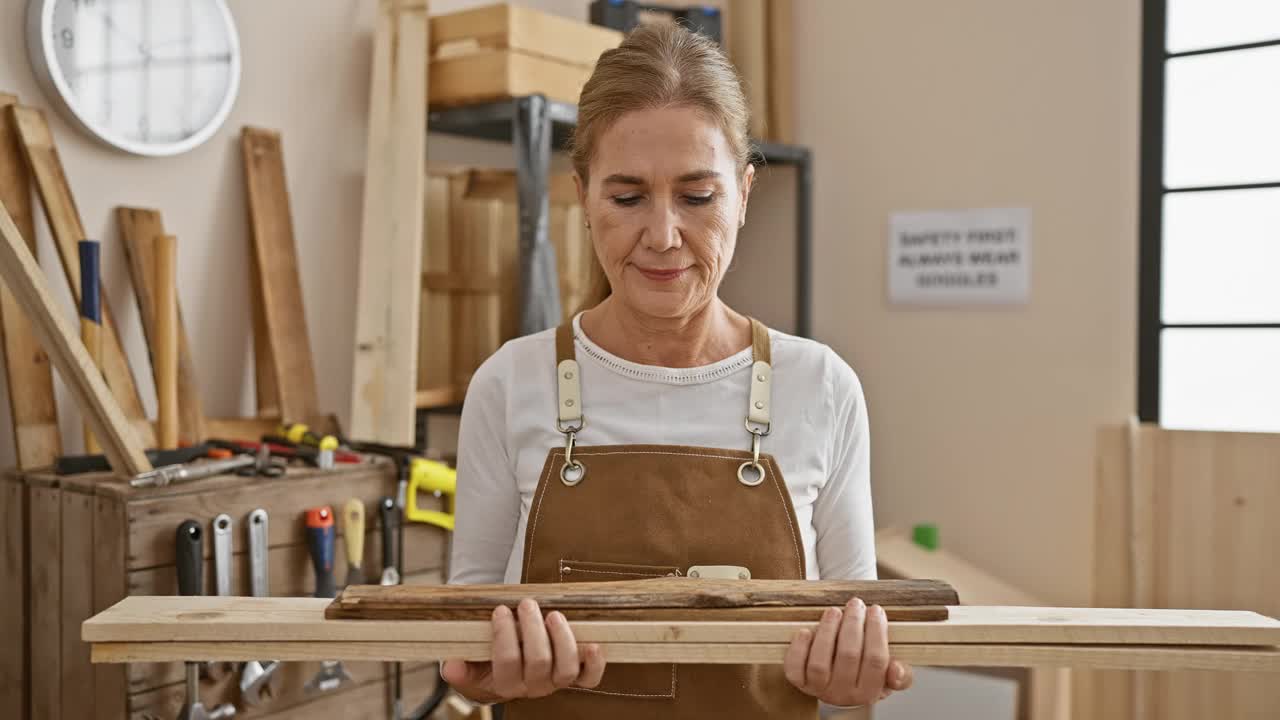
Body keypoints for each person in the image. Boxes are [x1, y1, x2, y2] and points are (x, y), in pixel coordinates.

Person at [441, 21, 913, 719]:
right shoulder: (511, 384)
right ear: (581, 194)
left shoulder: (821, 388)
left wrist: (854, 677)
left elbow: (861, 646)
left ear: (744, 193)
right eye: (627, 198)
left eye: (698, 197)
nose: (663, 236)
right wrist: (493, 675)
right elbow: (461, 654)